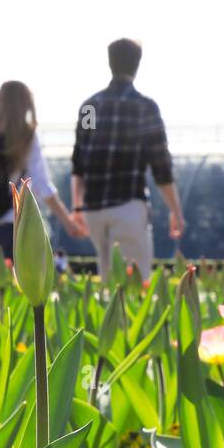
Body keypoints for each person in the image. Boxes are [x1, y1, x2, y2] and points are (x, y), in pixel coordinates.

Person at [71, 39, 185, 282]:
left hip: (93, 210)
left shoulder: (90, 107)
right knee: (134, 285)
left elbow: (79, 162)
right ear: (137, 64)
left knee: (107, 281)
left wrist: (77, 207)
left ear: (109, 62)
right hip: (128, 207)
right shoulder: (145, 107)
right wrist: (175, 210)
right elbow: (160, 166)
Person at [0, 80, 86, 259]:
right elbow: (42, 185)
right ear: (26, 104)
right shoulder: (24, 137)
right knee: (17, 283)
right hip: (13, 225)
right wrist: (67, 221)